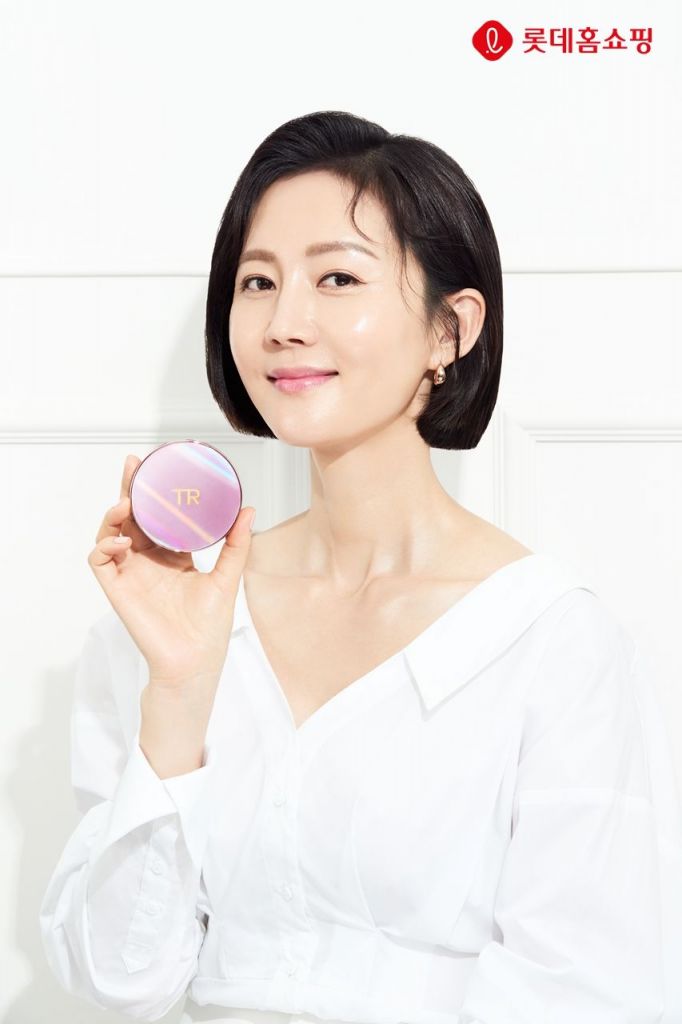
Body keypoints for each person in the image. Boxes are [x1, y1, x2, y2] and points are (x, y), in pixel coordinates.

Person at [39, 110, 682, 1023]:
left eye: (338, 277)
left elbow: (589, 992)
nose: (284, 322)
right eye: (258, 282)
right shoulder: (176, 617)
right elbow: (122, 980)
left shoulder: (554, 645)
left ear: (450, 329)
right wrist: (177, 695)